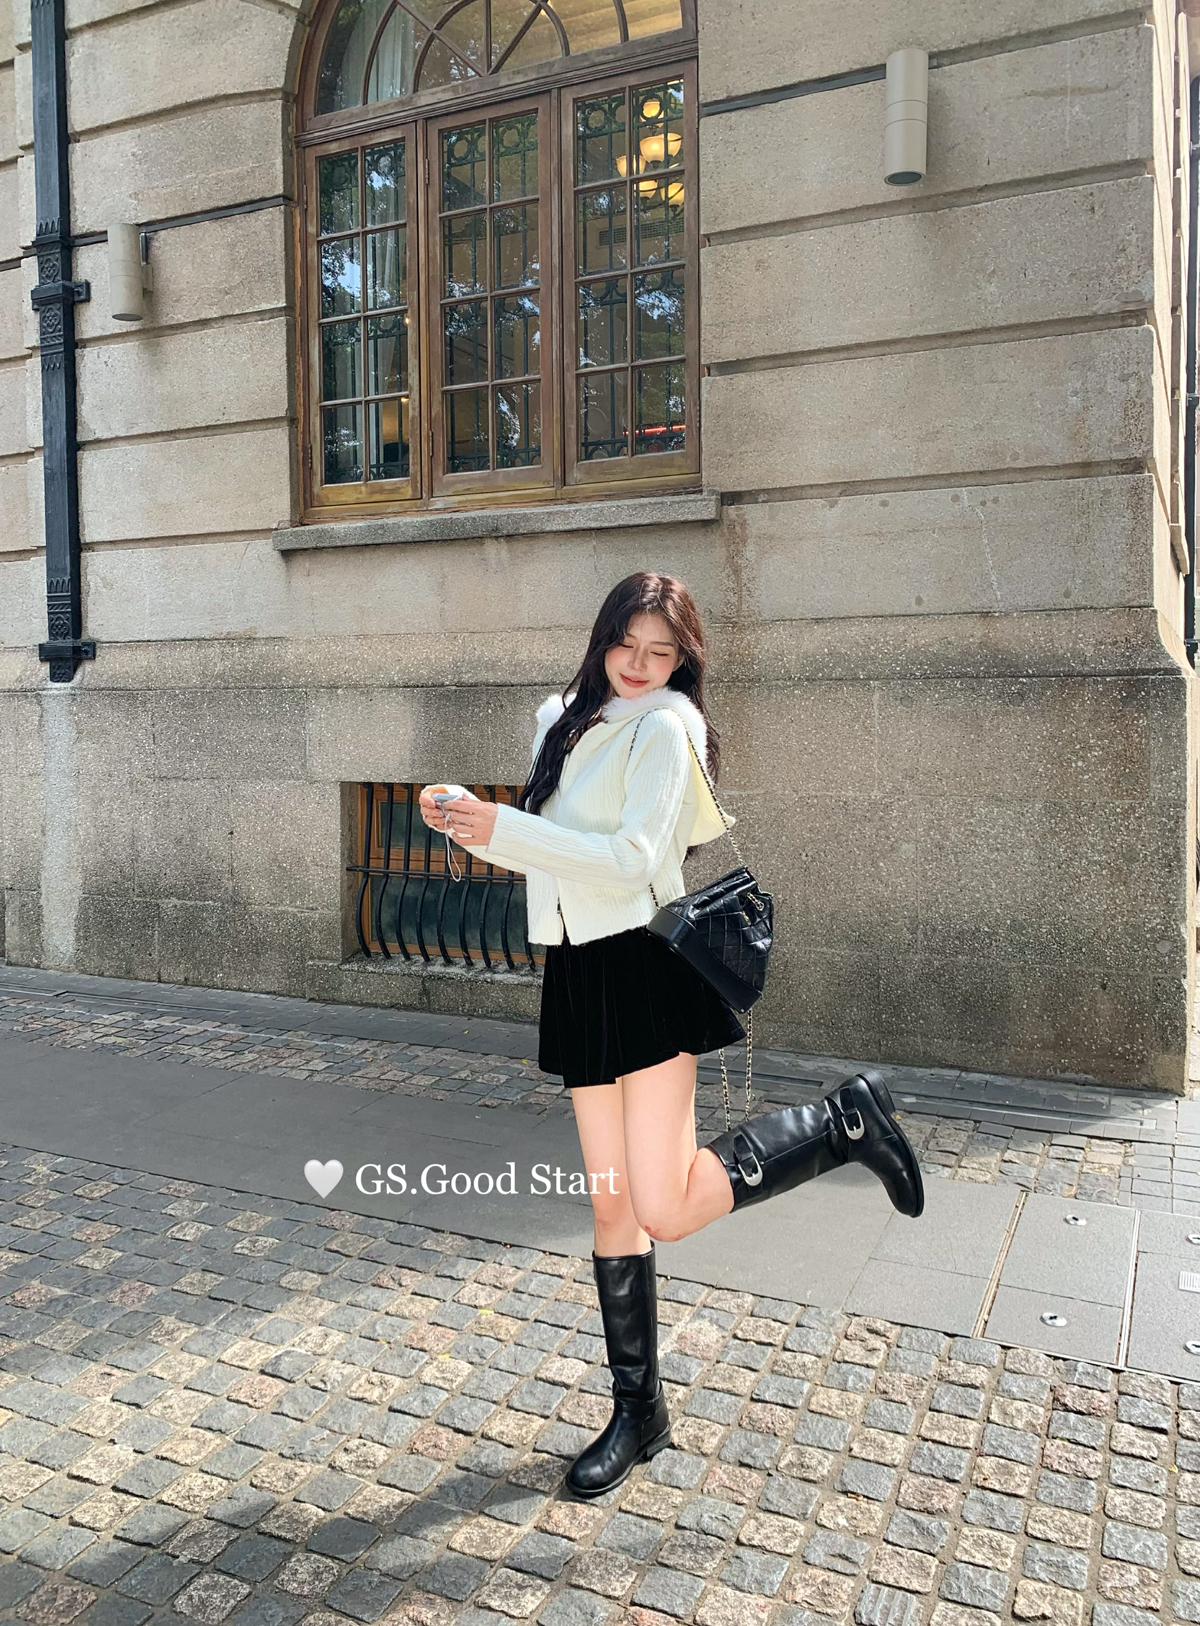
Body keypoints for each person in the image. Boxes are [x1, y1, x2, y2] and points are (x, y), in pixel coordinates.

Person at [418, 570, 924, 1502]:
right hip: (578, 972)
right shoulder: (561, 718)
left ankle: (840, 1125)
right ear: (602, 637)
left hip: (645, 969)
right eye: (628, 644)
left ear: (684, 660)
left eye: (662, 652)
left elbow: (633, 862)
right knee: (613, 1208)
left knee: (665, 1205)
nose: (641, 665)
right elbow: (549, 847)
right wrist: (469, 824)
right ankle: (638, 1412)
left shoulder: (668, 728)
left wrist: (504, 828)